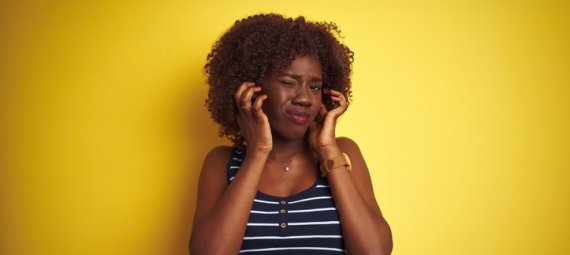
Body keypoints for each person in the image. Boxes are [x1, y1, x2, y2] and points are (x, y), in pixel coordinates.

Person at [189, 13, 392, 254]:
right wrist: (258, 152)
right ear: (250, 88)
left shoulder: (343, 153)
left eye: (314, 86)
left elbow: (375, 252)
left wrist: (327, 148)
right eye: (288, 82)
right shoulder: (221, 163)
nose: (305, 98)